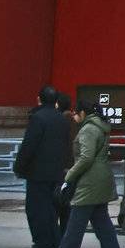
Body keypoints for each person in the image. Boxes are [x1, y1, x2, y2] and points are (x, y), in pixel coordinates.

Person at [44, 96, 123, 248]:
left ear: (82, 112)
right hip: (101, 178)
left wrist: (69, 175)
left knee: (75, 224)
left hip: (90, 181)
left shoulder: (88, 129)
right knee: (102, 221)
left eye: (75, 112)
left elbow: (86, 158)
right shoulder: (100, 126)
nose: (73, 116)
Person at [13, 84, 69, 248]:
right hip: (57, 171)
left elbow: (29, 146)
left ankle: (41, 243)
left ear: (39, 99)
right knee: (52, 209)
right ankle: (54, 240)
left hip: (38, 172)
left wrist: (19, 166)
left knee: (37, 209)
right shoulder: (61, 119)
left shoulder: (38, 118)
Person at [54, 91, 76, 238]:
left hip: (63, 167)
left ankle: (59, 237)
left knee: (59, 203)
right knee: (66, 204)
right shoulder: (74, 121)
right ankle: (65, 235)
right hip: (72, 166)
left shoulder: (61, 121)